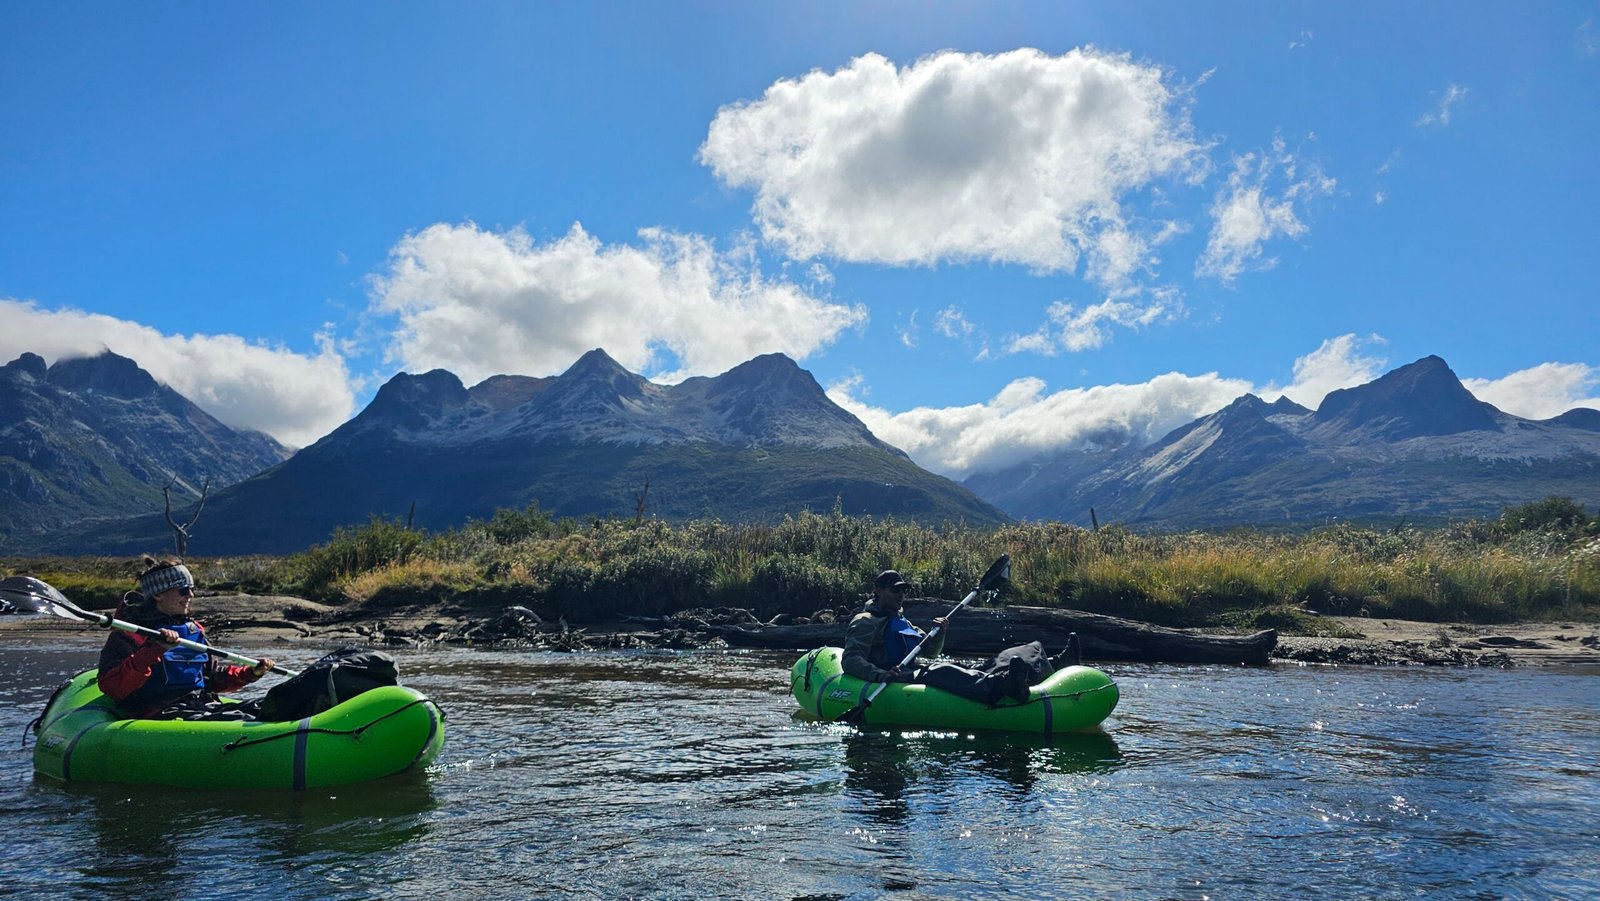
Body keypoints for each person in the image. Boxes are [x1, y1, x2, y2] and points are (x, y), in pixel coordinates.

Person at [842, 569, 1081, 706]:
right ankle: (1003, 686)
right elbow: (851, 659)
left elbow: (929, 651)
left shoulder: (901, 619)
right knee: (939, 670)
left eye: (905, 589)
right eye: (896, 590)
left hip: (917, 667)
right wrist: (880, 674)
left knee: (991, 661)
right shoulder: (866, 621)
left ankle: (1050, 663)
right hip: (897, 675)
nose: (902, 594)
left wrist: (939, 634)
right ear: (878, 591)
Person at [96, 556, 276, 720]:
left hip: (201, 705)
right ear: (158, 594)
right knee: (241, 720)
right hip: (162, 712)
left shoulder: (194, 630)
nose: (190, 595)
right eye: (183, 590)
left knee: (272, 706)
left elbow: (212, 679)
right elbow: (113, 687)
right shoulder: (129, 634)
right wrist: (154, 650)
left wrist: (250, 673)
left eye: (191, 589)